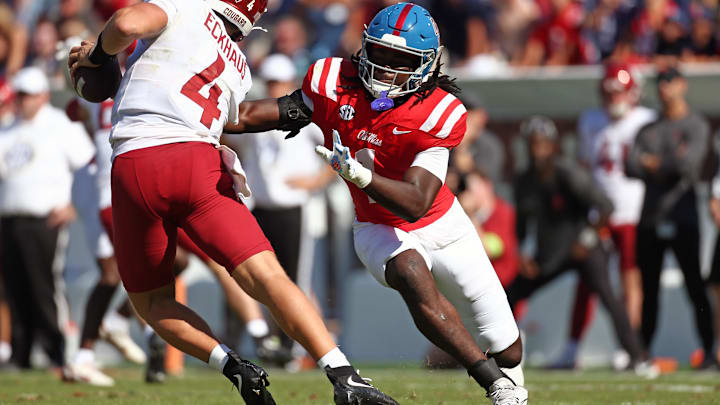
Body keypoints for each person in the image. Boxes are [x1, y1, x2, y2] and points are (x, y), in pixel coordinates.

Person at [68, 0, 397, 403]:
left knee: (152, 303)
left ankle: (232, 364)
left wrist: (98, 53)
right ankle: (345, 376)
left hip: (138, 163)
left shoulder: (184, 8)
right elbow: (230, 119)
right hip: (200, 165)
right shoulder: (238, 64)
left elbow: (126, 20)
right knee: (270, 277)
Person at [297, 3, 528, 404]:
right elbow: (276, 111)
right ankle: (495, 383)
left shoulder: (438, 111)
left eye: (400, 60)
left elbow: (417, 202)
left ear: (425, 67)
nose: (386, 68)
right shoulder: (336, 84)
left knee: (508, 346)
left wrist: (361, 176)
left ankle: (510, 386)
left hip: (440, 223)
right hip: (378, 226)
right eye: (380, 54)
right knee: (409, 270)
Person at [506, 115, 657, 377]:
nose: (537, 150)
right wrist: (522, 253)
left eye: (542, 144)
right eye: (532, 144)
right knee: (509, 295)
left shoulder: (568, 173)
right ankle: (495, 353)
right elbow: (521, 223)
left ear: (553, 146)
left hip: (584, 249)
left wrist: (586, 239)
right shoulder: (524, 180)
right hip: (550, 253)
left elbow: (605, 207)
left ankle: (639, 357)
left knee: (610, 299)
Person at [223, 53, 334, 368]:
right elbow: (227, 138)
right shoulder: (259, 113)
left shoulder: (305, 114)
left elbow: (337, 148)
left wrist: (316, 181)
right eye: (271, 81)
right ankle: (251, 342)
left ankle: (290, 347)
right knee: (252, 276)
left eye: (279, 81)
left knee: (292, 278)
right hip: (258, 206)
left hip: (292, 207)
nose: (274, 86)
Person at [551, 62, 657, 369]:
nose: (613, 99)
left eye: (619, 92)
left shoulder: (645, 120)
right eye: (608, 93)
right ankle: (573, 347)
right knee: (588, 280)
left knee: (629, 280)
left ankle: (629, 347)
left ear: (633, 92)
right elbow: (585, 167)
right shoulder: (591, 120)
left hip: (632, 210)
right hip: (598, 213)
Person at [0, 67, 95, 372]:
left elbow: (87, 165)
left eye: (28, 96)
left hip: (45, 220)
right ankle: (21, 353)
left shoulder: (60, 125)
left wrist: (74, 205)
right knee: (14, 290)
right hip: (9, 219)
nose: (22, 101)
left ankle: (57, 352)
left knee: (44, 288)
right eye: (20, 96)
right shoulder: (7, 128)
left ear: (42, 96)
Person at [626, 66, 717, 369]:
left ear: (682, 85)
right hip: (650, 218)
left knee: (695, 285)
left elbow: (688, 166)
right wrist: (665, 163)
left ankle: (708, 349)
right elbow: (630, 165)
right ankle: (643, 354)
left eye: (669, 81)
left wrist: (654, 163)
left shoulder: (696, 124)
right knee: (649, 290)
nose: (664, 88)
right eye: (660, 82)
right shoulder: (649, 127)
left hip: (683, 217)